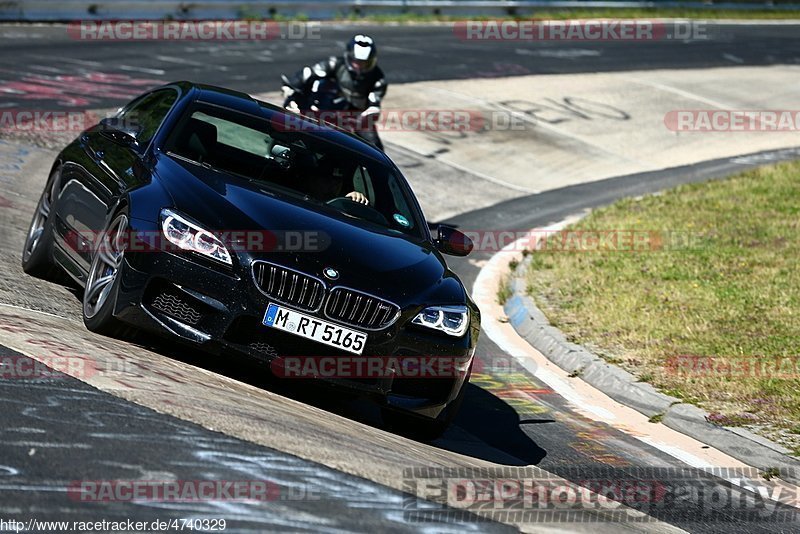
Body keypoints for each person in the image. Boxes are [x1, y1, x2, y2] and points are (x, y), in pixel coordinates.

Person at [282, 34, 386, 150]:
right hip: (326, 107)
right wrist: (291, 88)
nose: (359, 67)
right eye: (357, 62)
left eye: (364, 63)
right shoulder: (335, 63)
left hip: (355, 115)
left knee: (376, 148)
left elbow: (374, 107)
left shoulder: (378, 79)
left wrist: (362, 118)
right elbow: (308, 73)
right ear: (349, 57)